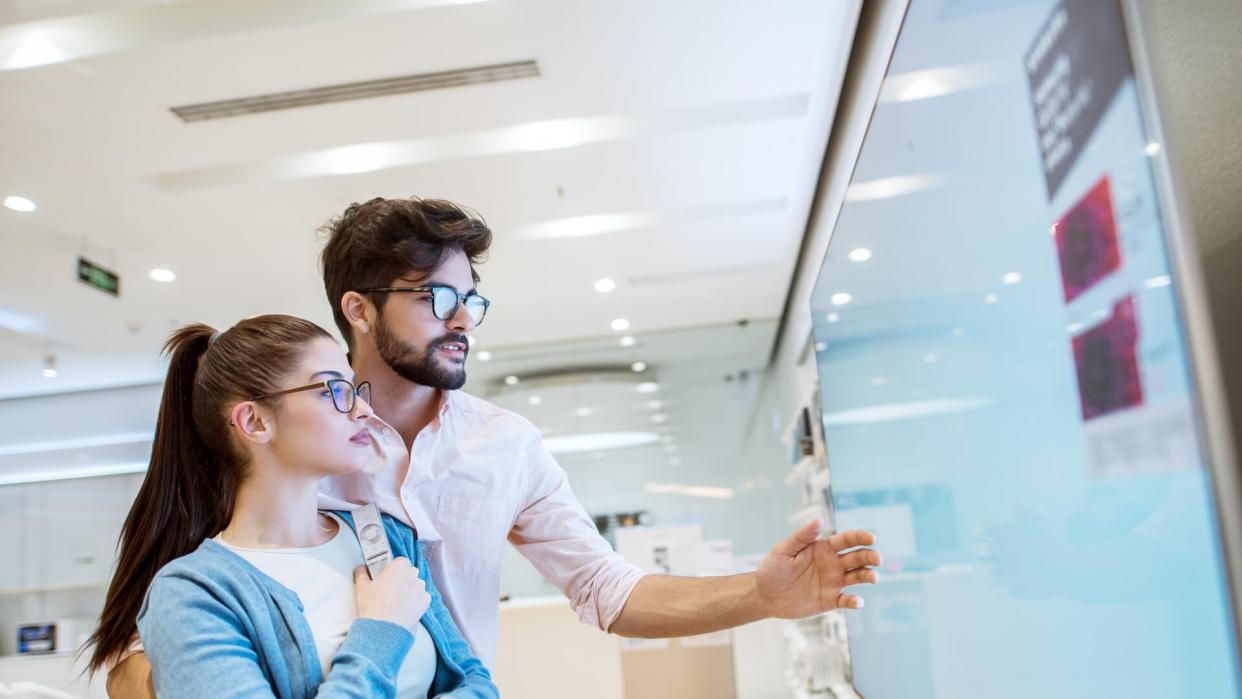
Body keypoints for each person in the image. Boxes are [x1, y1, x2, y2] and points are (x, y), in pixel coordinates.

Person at [108, 198, 881, 693]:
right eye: (439, 297)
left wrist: (760, 595)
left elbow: (606, 589)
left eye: (471, 298)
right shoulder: (281, 449)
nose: (464, 318)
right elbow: (138, 660)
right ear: (360, 309)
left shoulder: (503, 445)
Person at [88, 316, 497, 698]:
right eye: (333, 390)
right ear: (255, 423)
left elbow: (475, 683)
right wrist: (381, 631)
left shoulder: (386, 539)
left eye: (355, 388)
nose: (364, 410)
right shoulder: (192, 595)